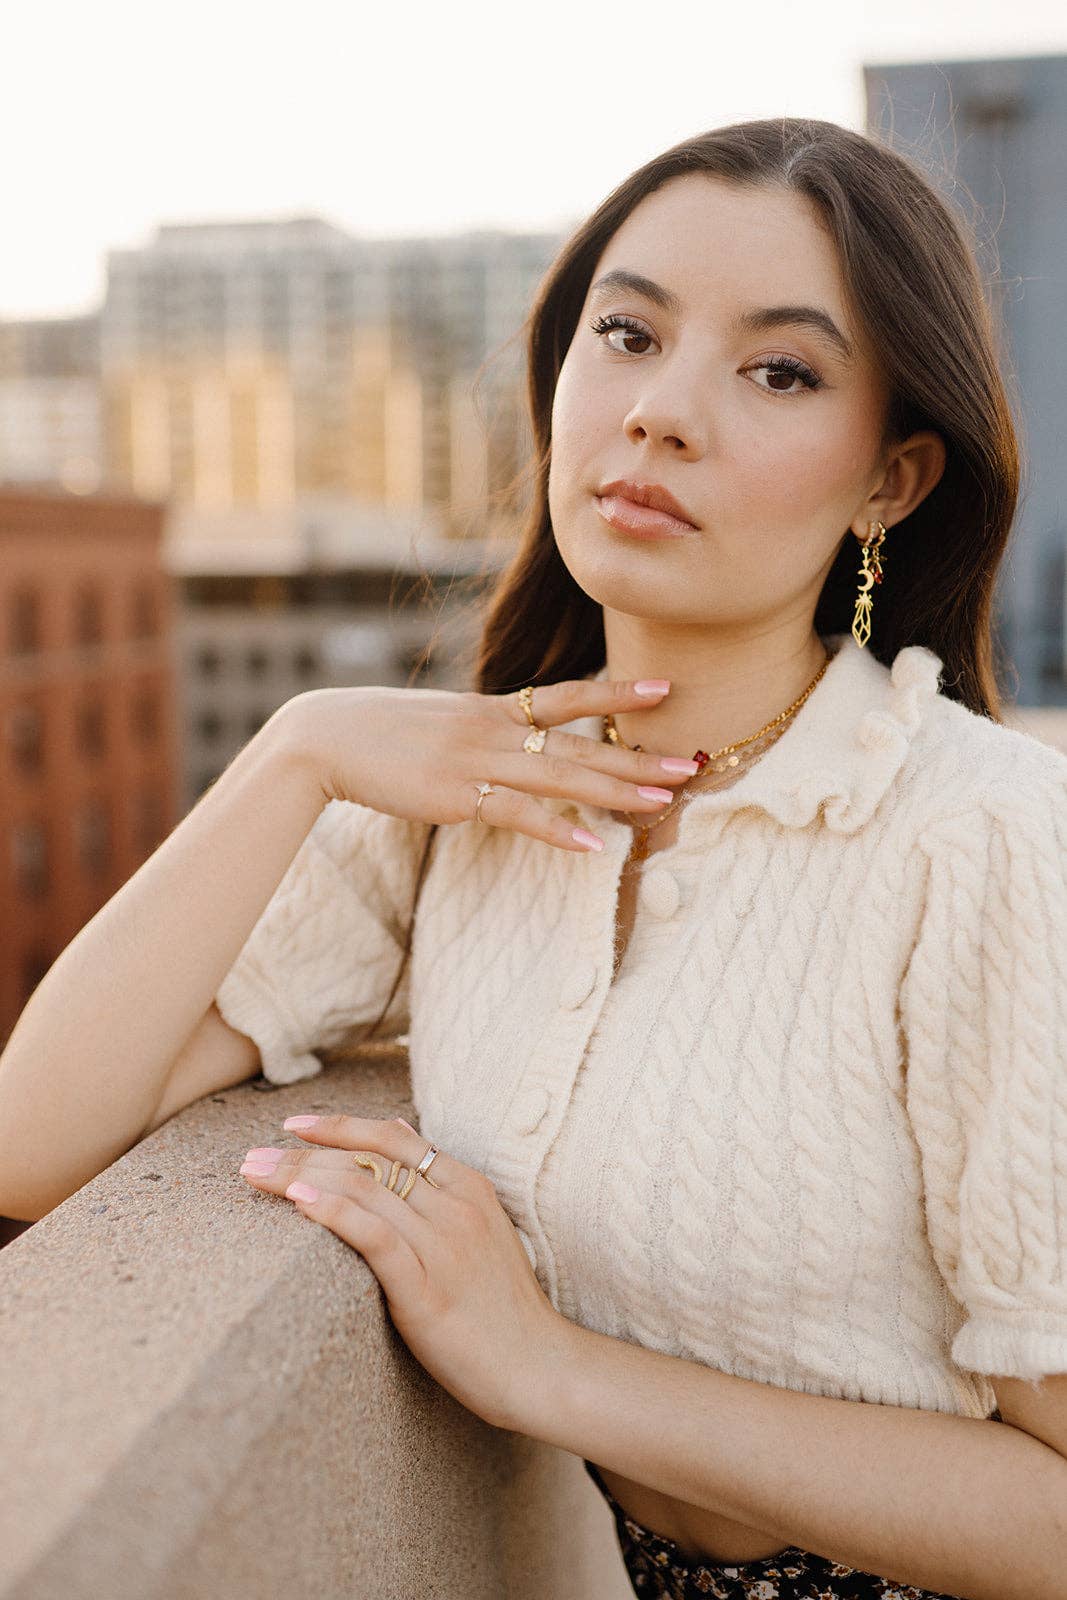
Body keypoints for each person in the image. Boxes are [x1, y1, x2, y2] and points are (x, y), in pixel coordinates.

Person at [2, 117, 1066, 1598]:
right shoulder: (456, 809)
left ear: (890, 480)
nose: (662, 414)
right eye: (626, 335)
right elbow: (32, 1140)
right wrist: (299, 749)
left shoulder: (984, 837)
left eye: (778, 371)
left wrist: (548, 1370)